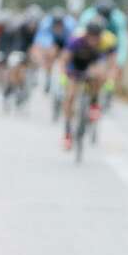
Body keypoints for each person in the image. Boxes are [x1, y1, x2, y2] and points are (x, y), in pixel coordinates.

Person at [61, 18, 117, 151]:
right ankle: (67, 132)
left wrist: (110, 79)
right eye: (91, 36)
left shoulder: (107, 41)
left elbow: (112, 64)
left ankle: (94, 103)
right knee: (70, 96)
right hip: (75, 65)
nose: (93, 39)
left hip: (92, 64)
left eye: (96, 36)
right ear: (86, 34)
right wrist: (63, 76)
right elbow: (64, 59)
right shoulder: (76, 40)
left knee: (99, 73)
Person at [33, 8, 76, 92]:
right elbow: (40, 40)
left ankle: (63, 79)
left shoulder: (70, 24)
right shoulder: (46, 24)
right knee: (50, 53)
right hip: (52, 41)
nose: (58, 26)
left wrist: (65, 54)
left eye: (60, 24)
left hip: (65, 42)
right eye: (56, 24)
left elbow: (72, 41)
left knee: (65, 59)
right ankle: (48, 75)